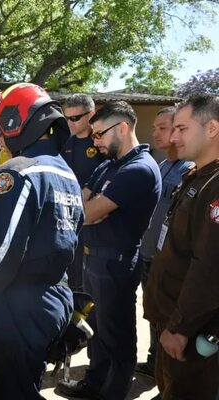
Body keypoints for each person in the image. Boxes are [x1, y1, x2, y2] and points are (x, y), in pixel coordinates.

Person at [0, 83, 83, 399]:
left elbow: (3, 257)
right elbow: (52, 238)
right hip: (55, 297)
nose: (3, 138)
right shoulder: (67, 174)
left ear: (16, 121)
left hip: (24, 304)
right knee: (22, 383)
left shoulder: (17, 173)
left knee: (13, 392)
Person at [58, 101, 162, 399]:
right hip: (93, 259)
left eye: (100, 134)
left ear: (123, 128)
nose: (96, 141)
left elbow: (88, 213)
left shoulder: (139, 169)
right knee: (98, 334)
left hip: (116, 265)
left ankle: (112, 393)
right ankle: (93, 385)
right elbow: (83, 202)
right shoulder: (109, 164)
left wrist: (93, 208)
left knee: (117, 339)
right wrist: (91, 208)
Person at [143, 93, 219, 400]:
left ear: (212, 128)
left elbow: (209, 266)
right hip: (172, 320)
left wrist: (181, 328)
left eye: (182, 129)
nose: (174, 137)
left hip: (190, 329)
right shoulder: (196, 176)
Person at [134, 107, 194, 379]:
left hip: (167, 260)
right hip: (148, 254)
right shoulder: (162, 164)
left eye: (165, 127)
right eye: (155, 127)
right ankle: (153, 362)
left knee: (169, 319)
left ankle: (165, 377)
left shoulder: (189, 168)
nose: (156, 133)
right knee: (154, 314)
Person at [62, 94, 105, 291]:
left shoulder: (102, 144)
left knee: (89, 279)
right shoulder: (65, 143)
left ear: (91, 115)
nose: (70, 123)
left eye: (75, 118)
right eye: (67, 118)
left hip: (95, 218)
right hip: (68, 217)